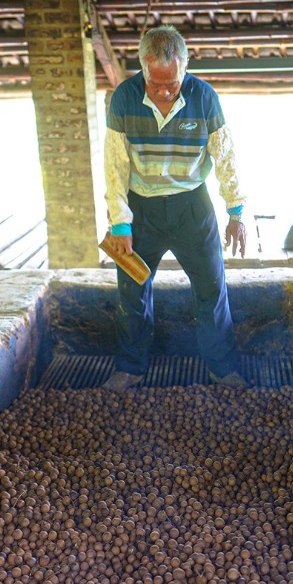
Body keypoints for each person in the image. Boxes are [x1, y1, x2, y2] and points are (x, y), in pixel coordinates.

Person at [101, 24, 249, 392]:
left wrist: (236, 212)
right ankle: (131, 368)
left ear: (184, 68)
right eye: (156, 84)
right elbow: (114, 166)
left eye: (174, 83)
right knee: (131, 289)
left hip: (192, 206)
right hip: (142, 208)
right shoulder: (123, 98)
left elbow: (226, 155)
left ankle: (222, 367)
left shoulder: (205, 97)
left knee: (211, 286)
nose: (165, 91)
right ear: (143, 70)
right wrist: (120, 224)